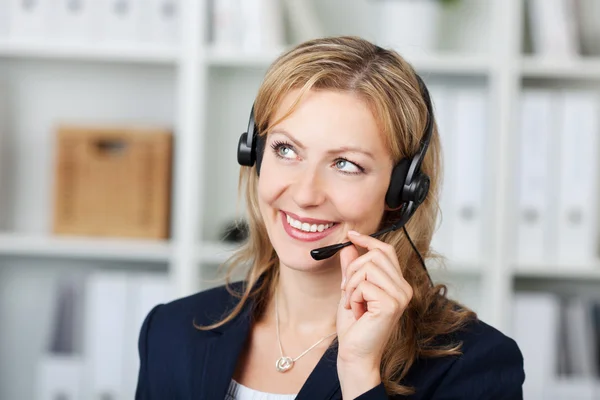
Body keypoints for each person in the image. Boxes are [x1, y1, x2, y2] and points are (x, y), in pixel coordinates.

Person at [135, 36, 525, 400]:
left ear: (402, 192)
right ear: (254, 154)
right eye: (286, 149)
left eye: (345, 164)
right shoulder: (172, 331)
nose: (305, 194)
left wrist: (359, 372)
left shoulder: (474, 364)